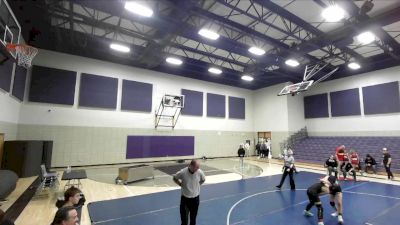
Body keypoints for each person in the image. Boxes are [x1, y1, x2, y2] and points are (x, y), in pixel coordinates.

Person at [173, 160, 206, 225]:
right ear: (191, 166)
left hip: (195, 199)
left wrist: (197, 185)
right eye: (196, 167)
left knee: (193, 219)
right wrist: (180, 184)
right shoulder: (183, 172)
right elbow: (175, 178)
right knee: (184, 220)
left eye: (198, 167)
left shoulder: (199, 172)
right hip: (185, 200)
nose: (198, 169)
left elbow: (203, 179)